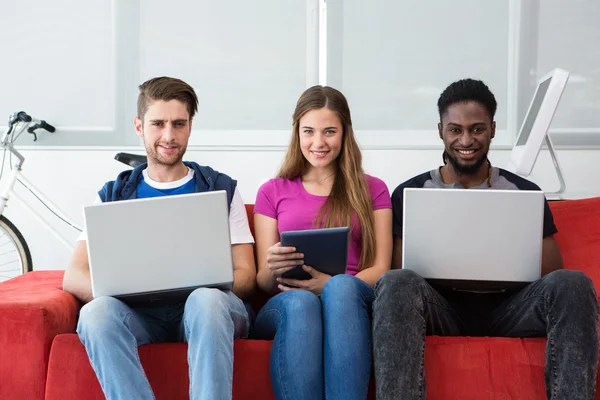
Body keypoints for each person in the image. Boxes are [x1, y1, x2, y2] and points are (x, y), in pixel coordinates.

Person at [372, 78, 599, 400]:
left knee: (573, 282)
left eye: (477, 129)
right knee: (396, 283)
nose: (466, 140)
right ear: (441, 130)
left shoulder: (524, 192)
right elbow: (397, 269)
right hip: (441, 308)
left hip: (510, 308)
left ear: (492, 129)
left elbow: (552, 271)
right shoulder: (411, 192)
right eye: (455, 129)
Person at [62, 76, 256, 400]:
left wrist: (198, 282)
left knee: (204, 300)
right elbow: (74, 275)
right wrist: (127, 290)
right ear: (139, 126)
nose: (169, 135)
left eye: (179, 124)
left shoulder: (220, 189)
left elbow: (247, 275)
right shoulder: (113, 196)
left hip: (207, 312)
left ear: (190, 126)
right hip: (141, 316)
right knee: (96, 314)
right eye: (158, 124)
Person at [251, 85, 393, 400]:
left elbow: (382, 267)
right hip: (286, 304)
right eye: (309, 131)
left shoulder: (375, 190)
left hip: (350, 300)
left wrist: (329, 285)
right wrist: (273, 267)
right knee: (301, 303)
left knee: (341, 288)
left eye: (329, 131)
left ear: (344, 133)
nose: (318, 142)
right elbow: (261, 282)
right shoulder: (272, 191)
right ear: (297, 133)